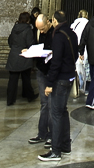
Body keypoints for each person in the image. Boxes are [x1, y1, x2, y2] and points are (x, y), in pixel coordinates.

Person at [38, 10, 78, 163]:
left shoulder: (58, 36)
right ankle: (65, 144)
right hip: (69, 76)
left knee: (55, 114)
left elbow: (56, 62)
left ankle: (55, 150)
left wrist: (49, 84)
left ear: (54, 20)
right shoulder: (71, 33)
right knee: (62, 111)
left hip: (60, 79)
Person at [28, 13, 54, 146]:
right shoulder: (38, 32)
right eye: (39, 29)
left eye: (42, 28)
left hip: (51, 71)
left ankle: (51, 135)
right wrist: (29, 51)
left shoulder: (55, 33)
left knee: (51, 104)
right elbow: (35, 45)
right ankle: (42, 133)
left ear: (48, 23)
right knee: (44, 104)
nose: (41, 31)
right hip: (41, 69)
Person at [5, 11, 37, 106]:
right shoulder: (28, 30)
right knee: (26, 78)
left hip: (14, 55)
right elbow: (30, 43)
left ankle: (10, 100)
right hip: (24, 55)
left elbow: (10, 41)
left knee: (12, 80)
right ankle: (29, 96)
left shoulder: (14, 28)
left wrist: (15, 48)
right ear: (28, 20)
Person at [70, 10, 89, 95]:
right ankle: (85, 88)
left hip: (74, 48)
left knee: (77, 68)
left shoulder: (74, 24)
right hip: (84, 48)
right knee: (85, 69)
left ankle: (77, 86)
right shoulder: (88, 24)